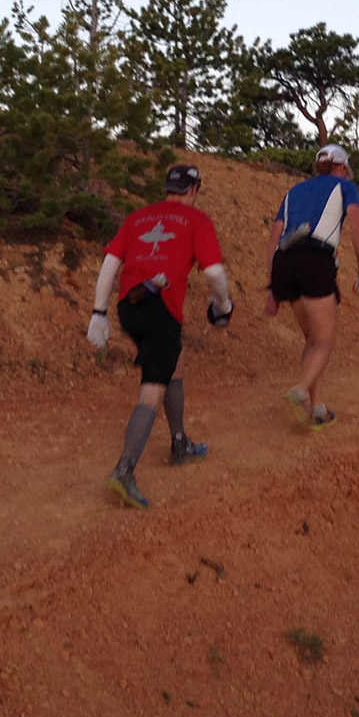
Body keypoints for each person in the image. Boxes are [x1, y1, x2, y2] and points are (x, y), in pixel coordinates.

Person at [86, 164, 233, 508]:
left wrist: (98, 312)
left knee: (174, 362)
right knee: (152, 389)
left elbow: (110, 261)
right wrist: (223, 305)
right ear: (194, 190)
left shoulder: (139, 217)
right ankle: (124, 470)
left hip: (129, 307)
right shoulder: (198, 221)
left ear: (168, 188)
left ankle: (179, 442)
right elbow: (213, 271)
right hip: (161, 312)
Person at [264, 144, 359, 429]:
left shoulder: (293, 192)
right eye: (346, 170)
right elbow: (357, 229)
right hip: (315, 259)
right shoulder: (343, 187)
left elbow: (274, 238)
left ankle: (319, 409)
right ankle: (299, 392)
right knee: (324, 342)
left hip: (284, 264)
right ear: (340, 167)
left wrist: (273, 287)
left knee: (313, 341)